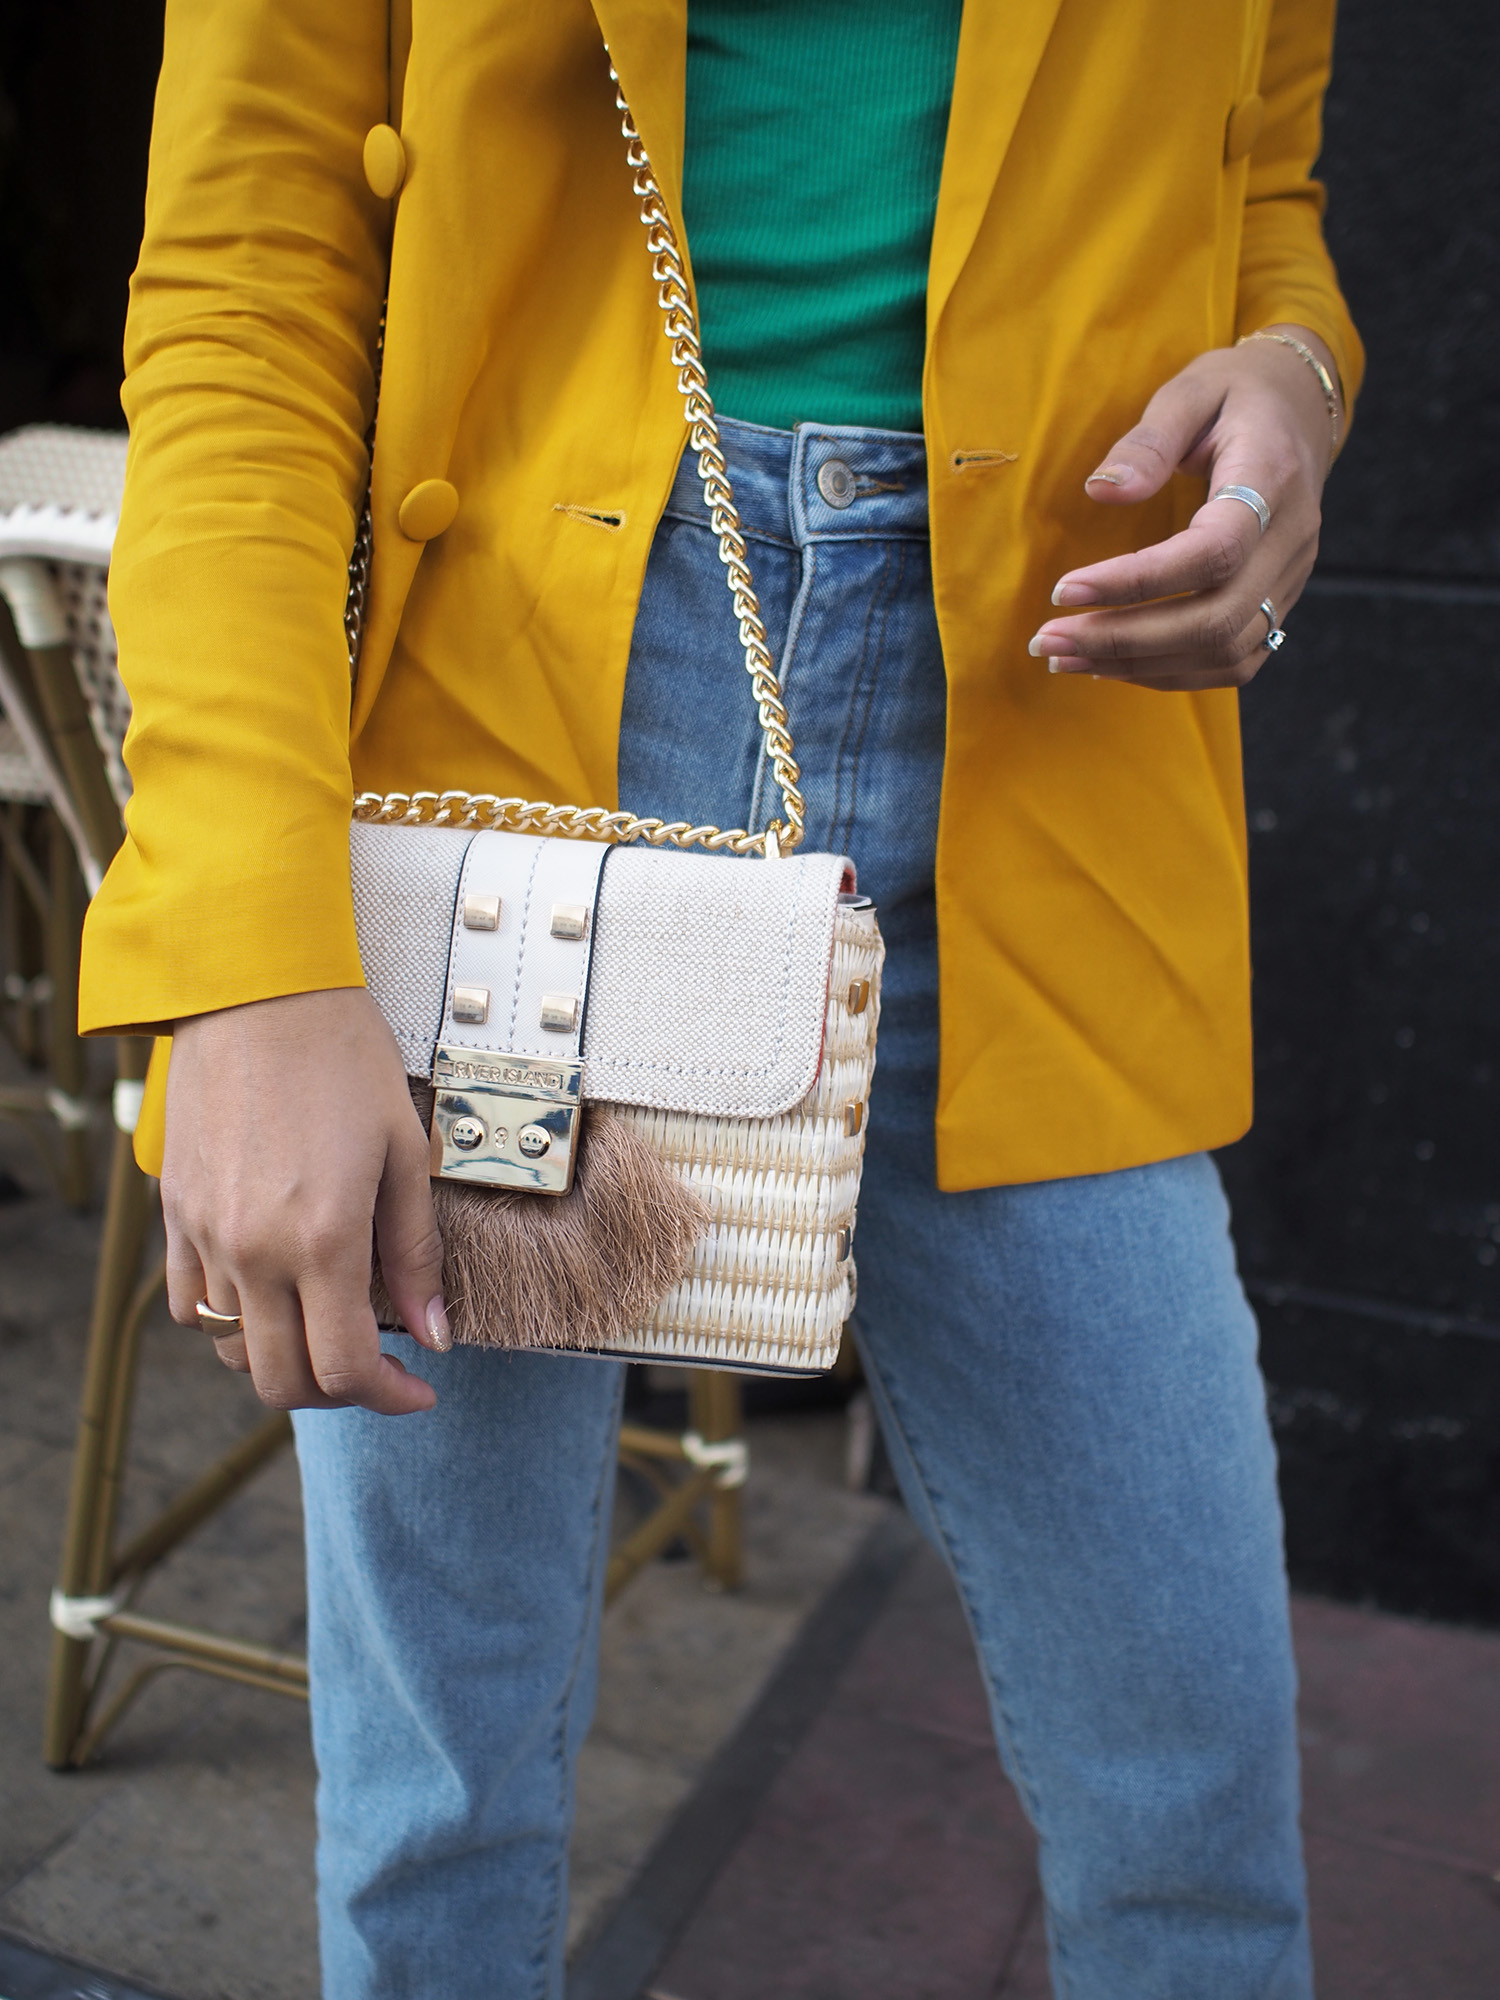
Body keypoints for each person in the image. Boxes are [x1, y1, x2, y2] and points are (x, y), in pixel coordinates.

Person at [81, 2, 1363, 1994]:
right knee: (445, 1795)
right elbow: (248, 279)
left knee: (1193, 1778)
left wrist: (1296, 376)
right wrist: (250, 953)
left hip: (1050, 732)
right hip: (513, 780)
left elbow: (1259, 175)